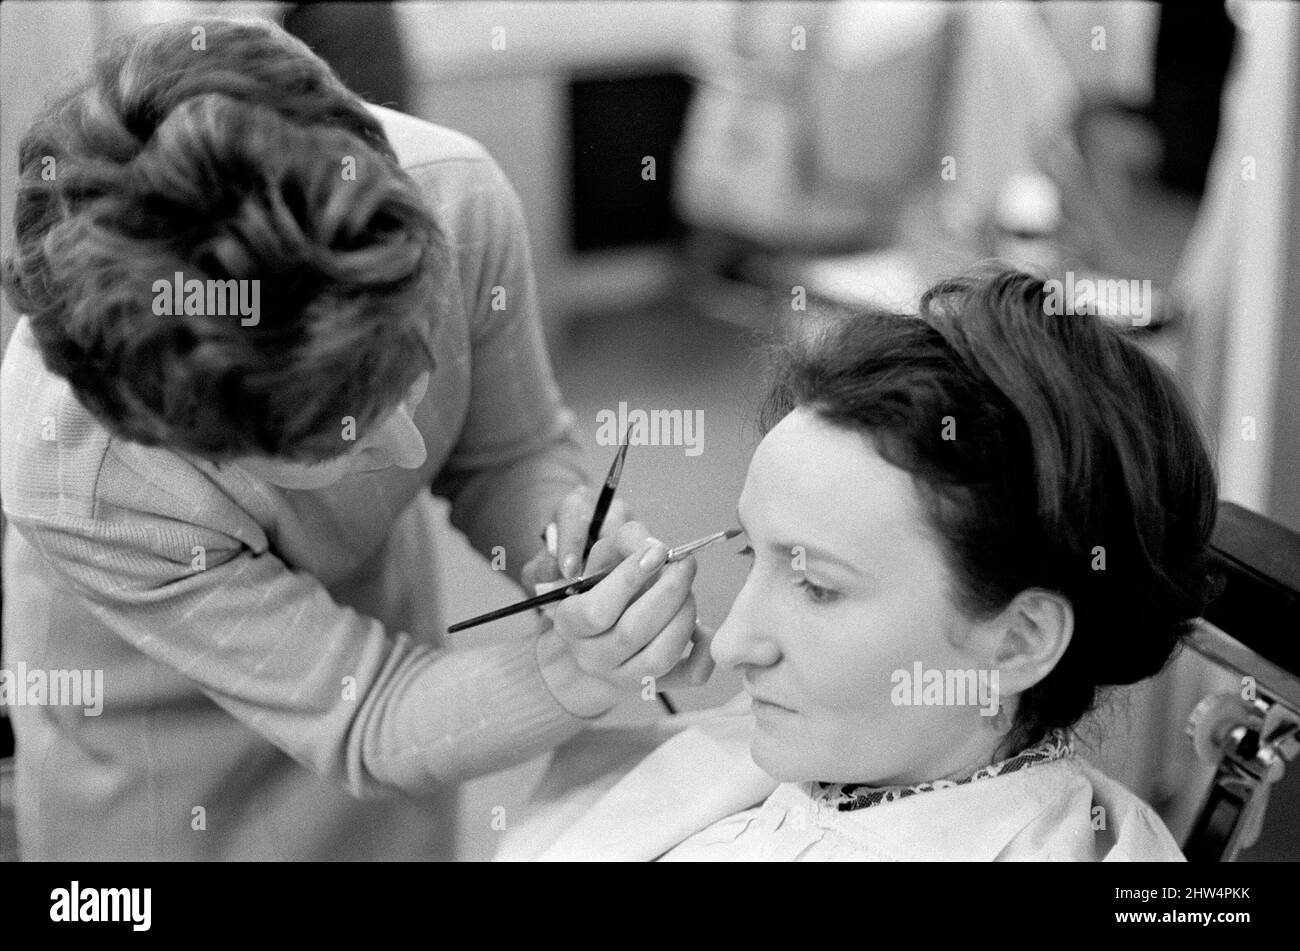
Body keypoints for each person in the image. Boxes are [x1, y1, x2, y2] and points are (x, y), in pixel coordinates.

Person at [0, 17, 708, 860]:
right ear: (184, 437)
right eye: (334, 444)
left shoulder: (460, 204)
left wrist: (570, 548)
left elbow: (507, 454)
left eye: (408, 379)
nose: (412, 451)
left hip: (402, 710)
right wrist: (573, 673)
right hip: (153, 780)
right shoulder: (82, 476)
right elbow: (368, 715)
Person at [497, 269, 1220, 861]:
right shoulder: (833, 742)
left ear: (1019, 638)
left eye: (816, 584)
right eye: (753, 552)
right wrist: (569, 676)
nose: (732, 644)